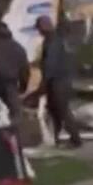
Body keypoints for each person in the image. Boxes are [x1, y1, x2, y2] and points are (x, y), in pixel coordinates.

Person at [35, 15, 82, 148]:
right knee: (55, 110)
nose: (38, 31)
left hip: (57, 81)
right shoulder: (60, 39)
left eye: (39, 28)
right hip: (63, 79)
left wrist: (44, 83)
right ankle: (56, 138)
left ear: (44, 27)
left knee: (62, 110)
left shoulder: (52, 41)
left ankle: (75, 139)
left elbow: (51, 63)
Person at [0, 19, 30, 124]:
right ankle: (14, 136)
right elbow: (25, 71)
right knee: (15, 113)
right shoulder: (18, 47)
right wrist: (23, 87)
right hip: (10, 85)